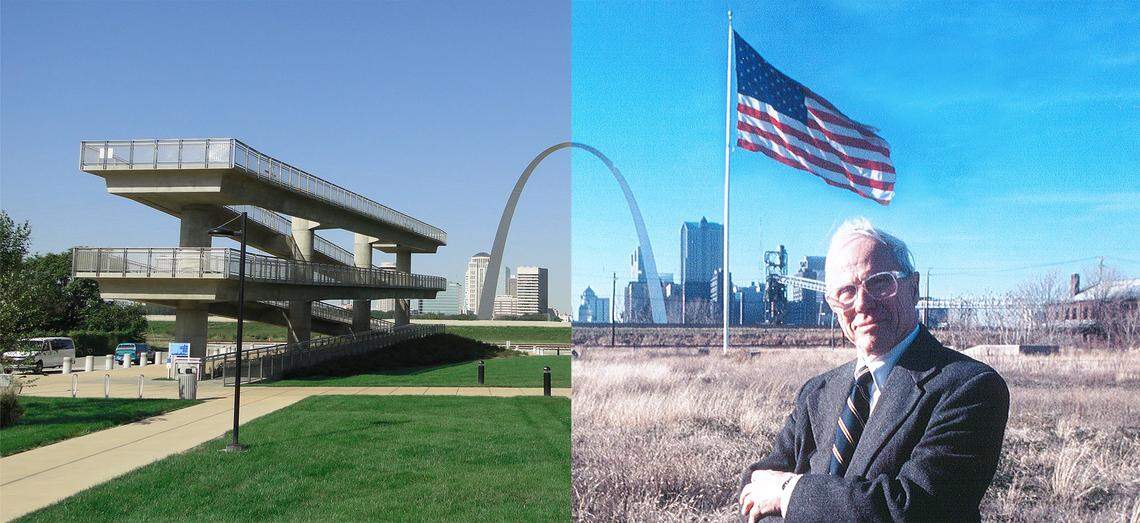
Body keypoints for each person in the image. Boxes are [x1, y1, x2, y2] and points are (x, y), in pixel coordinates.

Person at [738, 218, 1009, 522]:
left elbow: (914, 509)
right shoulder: (816, 393)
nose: (863, 303)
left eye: (880, 282)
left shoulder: (969, 387)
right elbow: (755, 489)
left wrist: (789, 493)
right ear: (833, 304)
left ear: (913, 287)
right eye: (846, 291)